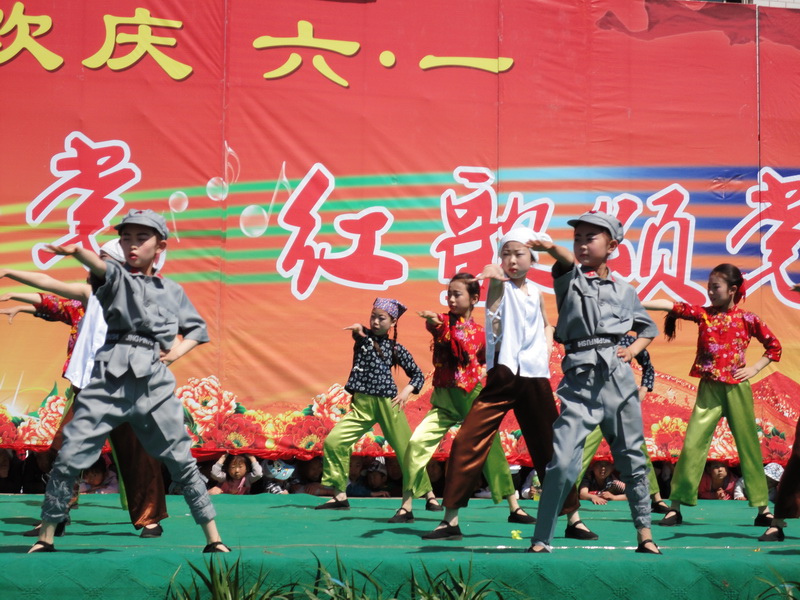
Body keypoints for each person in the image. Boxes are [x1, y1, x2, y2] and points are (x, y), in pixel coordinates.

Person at [28, 208, 229, 553]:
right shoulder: (114, 281)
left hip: (152, 384)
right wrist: (78, 253)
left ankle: (213, 538)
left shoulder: (172, 291)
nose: (133, 244)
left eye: (141, 237)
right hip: (107, 380)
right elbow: (100, 271)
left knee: (181, 460)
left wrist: (173, 355)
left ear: (160, 246)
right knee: (70, 455)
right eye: (126, 238)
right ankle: (45, 537)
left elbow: (196, 330)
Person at [423, 227, 585, 542]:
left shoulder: (536, 292)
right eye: (506, 254)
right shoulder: (500, 289)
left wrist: (547, 342)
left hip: (535, 378)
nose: (511, 260)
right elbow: (495, 293)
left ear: (532, 259)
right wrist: (494, 277)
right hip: (503, 376)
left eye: (518, 254)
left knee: (552, 448)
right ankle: (450, 520)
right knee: (467, 440)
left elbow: (546, 322)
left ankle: (573, 519)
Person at [0, 240, 168, 538]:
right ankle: (58, 514)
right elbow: (49, 289)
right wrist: (9, 275)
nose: (95, 265)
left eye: (103, 260)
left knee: (137, 454)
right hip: (89, 391)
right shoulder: (87, 298)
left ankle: (150, 518)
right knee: (61, 448)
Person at [528, 211, 660, 554]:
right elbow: (564, 261)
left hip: (618, 380)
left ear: (612, 246)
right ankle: (541, 539)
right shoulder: (570, 280)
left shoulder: (625, 291)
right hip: (580, 381)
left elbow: (648, 328)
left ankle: (645, 535)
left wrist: (632, 351)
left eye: (591, 238)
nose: (582, 245)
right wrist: (551, 248)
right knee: (561, 463)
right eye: (578, 239)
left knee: (632, 458)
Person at [644, 263, 781, 528]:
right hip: (709, 388)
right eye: (708, 287)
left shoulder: (748, 319)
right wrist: (636, 302)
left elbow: (774, 347)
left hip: (736, 389)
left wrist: (753, 368)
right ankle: (675, 507)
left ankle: (763, 509)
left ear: (732, 290)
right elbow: (671, 306)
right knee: (693, 444)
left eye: (715, 287)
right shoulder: (704, 315)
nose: (710, 292)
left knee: (748, 447)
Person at [390, 273, 534, 525]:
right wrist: (434, 321)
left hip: (472, 399)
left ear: (474, 298)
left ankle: (514, 507)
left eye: (457, 294)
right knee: (416, 444)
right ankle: (406, 505)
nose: (451, 299)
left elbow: (484, 354)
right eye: (449, 294)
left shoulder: (480, 333)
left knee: (491, 449)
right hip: (444, 400)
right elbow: (437, 326)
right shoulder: (443, 323)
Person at [316, 298, 425, 510]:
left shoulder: (395, 348)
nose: (375, 322)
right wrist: (358, 329)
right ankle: (340, 496)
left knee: (406, 452)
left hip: (388, 404)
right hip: (362, 404)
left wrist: (406, 391)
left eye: (381, 318)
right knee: (334, 442)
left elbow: (417, 375)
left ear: (393, 322)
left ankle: (420, 498)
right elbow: (360, 332)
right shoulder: (364, 339)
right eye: (373, 317)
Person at [577, 334, 670, 513]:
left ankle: (656, 499)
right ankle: (565, 498)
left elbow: (647, 366)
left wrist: (644, 389)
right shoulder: (589, 337)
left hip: (621, 403)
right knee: (582, 449)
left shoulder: (627, 340)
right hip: (595, 402)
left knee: (639, 451)